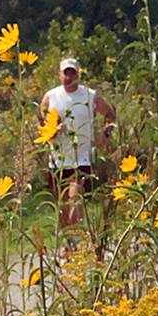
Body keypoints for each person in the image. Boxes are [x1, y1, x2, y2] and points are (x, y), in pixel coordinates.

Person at [38, 56, 116, 229]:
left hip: (81, 157)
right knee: (62, 209)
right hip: (57, 158)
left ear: (78, 75)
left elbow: (110, 114)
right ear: (59, 75)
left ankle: (76, 239)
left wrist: (105, 135)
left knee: (75, 200)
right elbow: (41, 121)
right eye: (66, 73)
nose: (69, 78)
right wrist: (52, 130)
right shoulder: (51, 96)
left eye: (72, 73)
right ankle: (69, 248)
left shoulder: (89, 96)